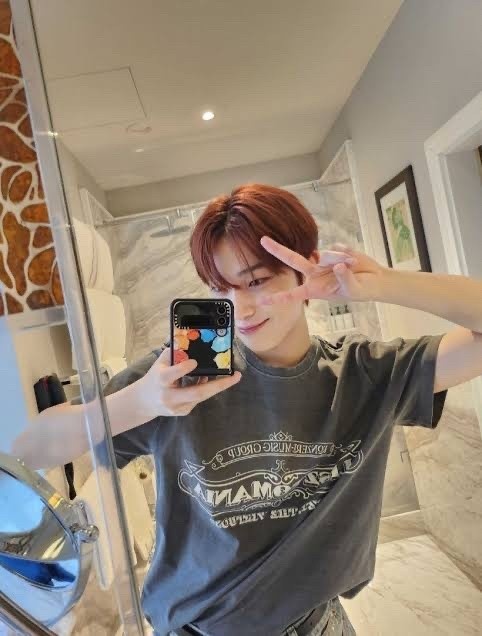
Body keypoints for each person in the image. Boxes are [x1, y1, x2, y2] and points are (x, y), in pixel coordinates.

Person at [14, 183, 482, 636]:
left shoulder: (364, 375)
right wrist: (136, 402)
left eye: (256, 281)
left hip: (317, 624)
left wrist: (383, 284)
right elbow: (29, 449)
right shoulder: (179, 377)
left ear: (303, 271)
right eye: (221, 288)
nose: (239, 307)